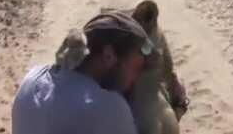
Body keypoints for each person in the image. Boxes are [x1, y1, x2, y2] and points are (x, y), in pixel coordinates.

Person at [12, 12, 154, 134]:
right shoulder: (110, 108)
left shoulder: (31, 79)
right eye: (136, 69)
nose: (135, 79)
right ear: (108, 56)